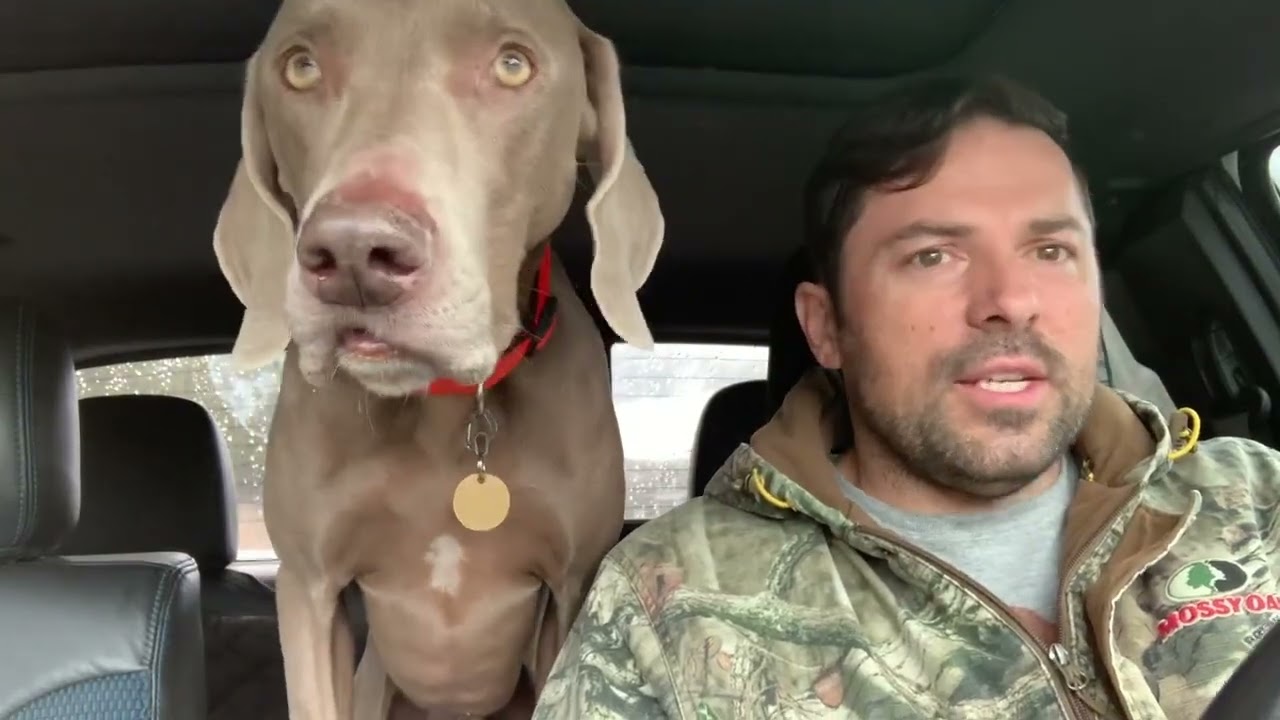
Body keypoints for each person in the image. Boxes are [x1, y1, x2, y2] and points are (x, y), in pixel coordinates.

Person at [530, 74, 1280, 719]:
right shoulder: (671, 600)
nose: (1011, 299)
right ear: (826, 330)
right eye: (933, 255)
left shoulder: (1255, 496)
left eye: (1050, 250)